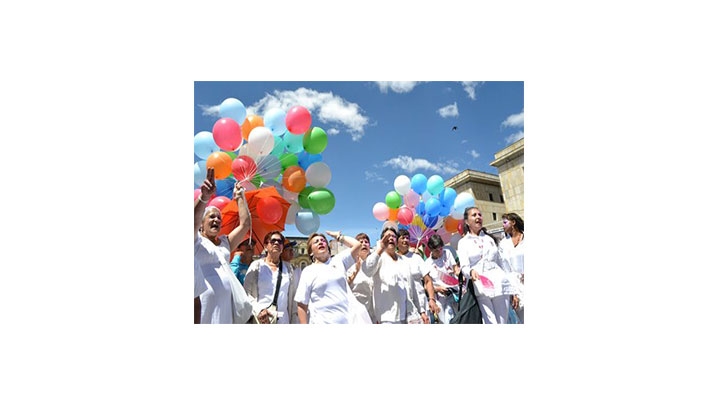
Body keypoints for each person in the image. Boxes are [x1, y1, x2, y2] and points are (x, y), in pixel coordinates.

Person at [194, 167, 251, 324]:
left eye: (219, 218)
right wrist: (204, 198)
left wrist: (240, 197)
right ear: (201, 224)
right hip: (202, 310)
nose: (217, 220)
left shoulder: (225, 243)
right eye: (211, 216)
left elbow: (245, 225)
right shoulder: (195, 241)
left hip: (226, 311)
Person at [456, 206, 515, 324]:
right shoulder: (463, 242)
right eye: (474, 215)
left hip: (499, 283)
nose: (478, 217)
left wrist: (511, 286)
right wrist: (471, 272)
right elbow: (464, 266)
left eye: (479, 215)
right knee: (490, 322)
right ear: (467, 222)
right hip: (481, 284)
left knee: (502, 321)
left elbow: (500, 263)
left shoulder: (489, 239)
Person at [295, 231, 365, 324]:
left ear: (328, 248)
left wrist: (339, 236)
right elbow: (302, 304)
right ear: (311, 252)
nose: (320, 242)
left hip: (347, 321)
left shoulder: (338, 260)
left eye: (323, 240)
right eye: (316, 242)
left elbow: (357, 245)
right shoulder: (308, 271)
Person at [361, 227, 421, 324]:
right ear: (382, 240)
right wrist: (380, 249)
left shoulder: (403, 261)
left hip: (407, 316)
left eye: (393, 236)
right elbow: (367, 270)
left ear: (397, 241)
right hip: (387, 317)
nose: (390, 238)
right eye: (387, 236)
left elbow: (412, 288)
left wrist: (420, 310)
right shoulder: (378, 257)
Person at [243, 231, 296, 324]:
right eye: (273, 241)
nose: (276, 243)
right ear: (265, 246)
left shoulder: (288, 268)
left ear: (282, 247)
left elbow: (292, 298)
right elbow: (246, 293)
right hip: (261, 319)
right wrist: (259, 310)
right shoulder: (256, 265)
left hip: (283, 320)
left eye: (280, 242)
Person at [397, 229, 433, 324]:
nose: (405, 240)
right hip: (403, 307)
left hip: (421, 304)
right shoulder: (394, 260)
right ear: (397, 241)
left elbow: (428, 281)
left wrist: (432, 299)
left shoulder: (416, 258)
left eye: (407, 238)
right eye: (402, 238)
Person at [424, 234, 460, 324]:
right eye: (437, 250)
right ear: (431, 250)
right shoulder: (427, 264)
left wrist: (458, 272)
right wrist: (438, 289)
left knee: (457, 319)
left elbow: (455, 268)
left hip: (454, 293)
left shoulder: (447, 253)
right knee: (445, 321)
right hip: (440, 298)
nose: (440, 252)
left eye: (441, 248)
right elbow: (426, 285)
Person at [499, 213, 524, 324]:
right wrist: (512, 292)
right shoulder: (503, 244)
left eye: (505, 222)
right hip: (516, 287)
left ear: (513, 222)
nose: (503, 226)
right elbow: (505, 269)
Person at [346, 232, 377, 324]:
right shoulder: (349, 265)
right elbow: (343, 285)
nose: (364, 244)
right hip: (356, 314)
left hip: (373, 314)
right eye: (361, 242)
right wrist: (355, 271)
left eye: (366, 242)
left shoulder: (375, 265)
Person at [281, 240, 302, 323]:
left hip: (294, 313)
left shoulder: (295, 269)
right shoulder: (279, 270)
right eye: (288, 249)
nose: (292, 251)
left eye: (292, 249)